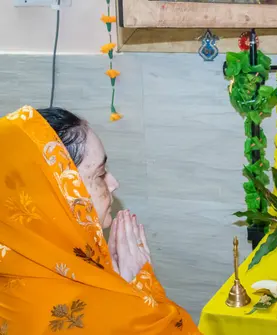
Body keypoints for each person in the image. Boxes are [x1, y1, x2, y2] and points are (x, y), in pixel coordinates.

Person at [0, 106, 201, 334]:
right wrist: (141, 291)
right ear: (56, 196)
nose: (113, 183)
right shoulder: (100, 314)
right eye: (100, 174)